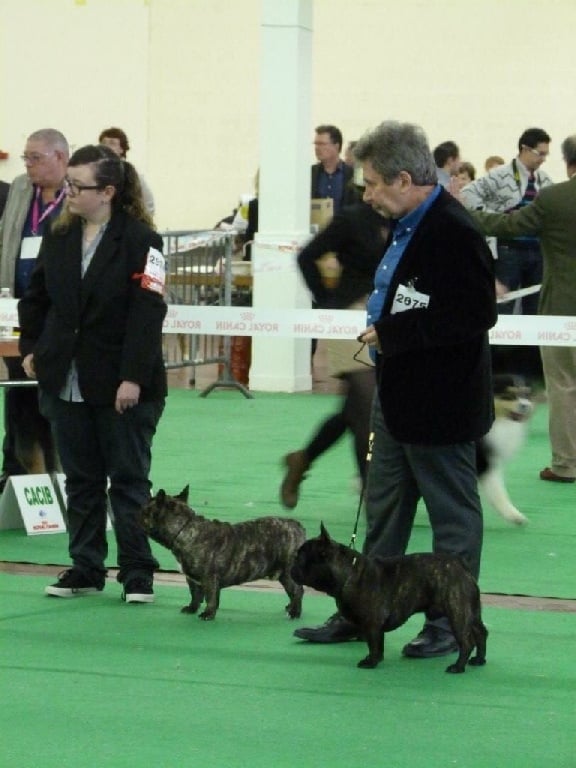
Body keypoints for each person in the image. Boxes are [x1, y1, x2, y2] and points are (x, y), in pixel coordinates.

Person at [294, 121, 497, 659]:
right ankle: (362, 611)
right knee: (384, 513)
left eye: (372, 182)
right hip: (395, 396)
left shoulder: (454, 232)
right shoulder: (405, 225)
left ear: (404, 179)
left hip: (443, 403)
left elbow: (477, 314)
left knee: (451, 522)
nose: (365, 193)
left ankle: (450, 624)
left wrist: (394, 332)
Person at [18, 144, 168, 602]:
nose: (68, 194)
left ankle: (138, 570)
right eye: (68, 186)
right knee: (80, 480)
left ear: (106, 191)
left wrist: (133, 377)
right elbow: (37, 298)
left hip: (123, 381)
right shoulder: (59, 236)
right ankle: (85, 566)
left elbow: (149, 311)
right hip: (65, 379)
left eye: (77, 187)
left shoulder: (144, 241)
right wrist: (34, 348)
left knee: (128, 480)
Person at [468, 134, 576, 484]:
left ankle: (566, 464)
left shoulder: (554, 198)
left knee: (563, 386)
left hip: (562, 308)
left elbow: (508, 225)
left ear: (567, 162)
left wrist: (464, 214)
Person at [280, 200, 390, 508]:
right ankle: (372, 494)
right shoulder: (351, 218)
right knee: (366, 403)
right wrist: (327, 302)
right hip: (350, 318)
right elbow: (306, 257)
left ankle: (302, 460)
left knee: (353, 411)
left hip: (388, 319)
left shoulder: (404, 217)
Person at [0, 128, 69, 490]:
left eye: (35, 157)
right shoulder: (21, 189)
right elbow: (6, 237)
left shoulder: (77, 194)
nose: (27, 164)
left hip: (59, 311)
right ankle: (17, 471)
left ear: (60, 157)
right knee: (18, 395)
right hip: (17, 308)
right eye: (25, 157)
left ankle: (59, 471)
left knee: (53, 397)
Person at [461, 128, 553, 382]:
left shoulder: (545, 181)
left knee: (535, 313)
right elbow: (468, 194)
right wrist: (493, 218)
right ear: (524, 149)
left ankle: (532, 372)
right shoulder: (499, 176)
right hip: (508, 250)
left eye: (546, 154)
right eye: (539, 153)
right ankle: (494, 371)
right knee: (503, 309)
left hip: (537, 252)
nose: (543, 159)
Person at [98, 126, 155, 216]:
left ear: (122, 149)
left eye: (112, 143)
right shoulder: (96, 172)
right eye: (103, 143)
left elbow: (148, 203)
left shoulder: (130, 173)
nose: (106, 147)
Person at [311, 125, 359, 215]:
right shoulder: (310, 174)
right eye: (316, 144)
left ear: (336, 146)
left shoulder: (353, 174)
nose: (317, 148)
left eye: (322, 144)